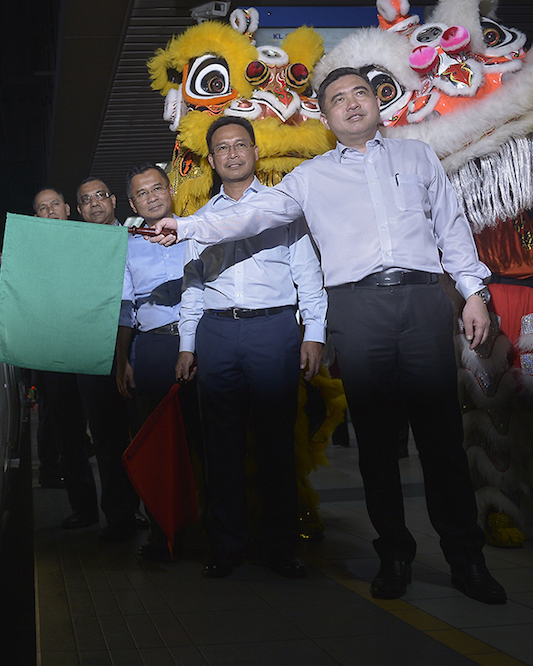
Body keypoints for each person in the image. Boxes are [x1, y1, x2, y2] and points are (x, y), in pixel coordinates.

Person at [150, 67, 505, 604]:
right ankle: (395, 556)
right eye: (338, 98)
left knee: (441, 438)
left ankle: (467, 559)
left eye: (360, 92)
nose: (352, 103)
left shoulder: (417, 157)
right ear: (324, 113)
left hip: (422, 300)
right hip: (356, 309)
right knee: (376, 442)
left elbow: (450, 226)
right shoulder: (309, 177)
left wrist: (473, 290)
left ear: (376, 101)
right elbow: (252, 214)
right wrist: (187, 226)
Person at [174, 117, 326, 578]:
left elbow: (308, 275)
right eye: (222, 148)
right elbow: (192, 285)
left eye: (240, 144)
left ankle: (279, 548)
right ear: (212, 160)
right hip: (217, 334)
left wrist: (314, 333)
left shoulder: (284, 208)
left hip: (274, 330)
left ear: (256, 152)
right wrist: (187, 344)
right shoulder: (200, 220)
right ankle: (227, 546)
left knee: (277, 443)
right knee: (221, 446)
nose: (233, 153)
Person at [117, 163, 203, 561]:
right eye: (142, 193)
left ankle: (209, 529)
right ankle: (161, 532)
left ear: (170, 190)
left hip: (199, 343)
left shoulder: (197, 231)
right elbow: (125, 308)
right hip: (151, 348)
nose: (151, 197)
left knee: (202, 439)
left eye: (157, 188)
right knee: (157, 443)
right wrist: (124, 360)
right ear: (132, 203)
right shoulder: (127, 246)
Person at [52, 177, 142, 542]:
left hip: (138, 348)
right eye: (86, 200)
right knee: (106, 439)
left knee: (143, 434)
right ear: (79, 209)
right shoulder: (73, 251)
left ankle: (153, 513)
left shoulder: (138, 239)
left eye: (100, 196)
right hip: (93, 353)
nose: (94, 204)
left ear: (114, 201)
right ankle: (120, 517)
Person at [30, 187, 80, 490]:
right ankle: (52, 471)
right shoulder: (30, 253)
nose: (50, 211)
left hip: (88, 345)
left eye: (55, 204)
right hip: (50, 350)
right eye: (42, 208)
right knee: (56, 417)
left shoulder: (88, 243)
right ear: (36, 216)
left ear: (67, 209)